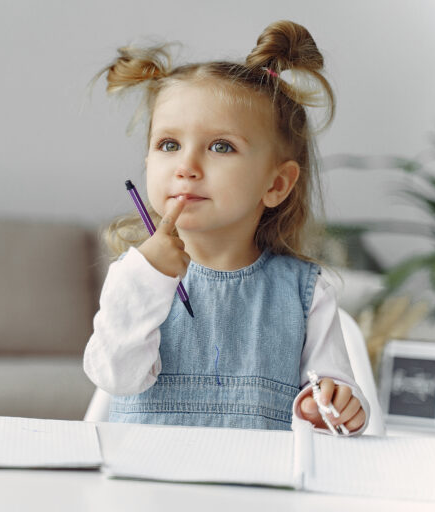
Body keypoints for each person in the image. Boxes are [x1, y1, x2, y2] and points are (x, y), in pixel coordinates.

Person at [83, 20, 369, 434]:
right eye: (169, 145)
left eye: (221, 146)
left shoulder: (307, 294)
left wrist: (337, 405)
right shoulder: (134, 278)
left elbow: (335, 403)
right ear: (147, 163)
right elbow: (115, 376)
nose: (186, 167)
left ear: (276, 184)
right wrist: (147, 279)